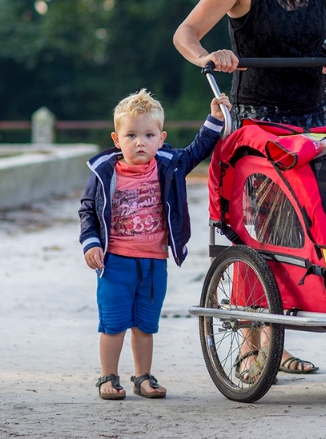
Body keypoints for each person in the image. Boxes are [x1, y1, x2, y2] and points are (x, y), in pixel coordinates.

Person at [173, 0, 326, 374]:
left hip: (312, 123)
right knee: (258, 232)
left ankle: (277, 337)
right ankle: (256, 347)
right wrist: (208, 57)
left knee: (303, 232)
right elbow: (185, 34)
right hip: (256, 123)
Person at [80, 89, 230, 400]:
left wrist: (215, 119)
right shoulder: (105, 171)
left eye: (148, 135)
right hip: (115, 262)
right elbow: (87, 209)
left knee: (146, 324)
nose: (140, 142)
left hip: (153, 261)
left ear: (161, 138)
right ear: (116, 138)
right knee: (113, 323)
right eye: (131, 135)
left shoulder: (168, 166)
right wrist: (90, 243)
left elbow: (197, 150)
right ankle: (109, 377)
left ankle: (142, 376)